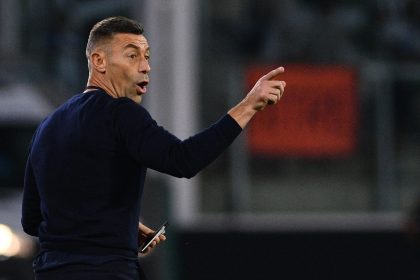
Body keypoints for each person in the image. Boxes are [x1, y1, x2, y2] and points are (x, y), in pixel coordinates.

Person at [21, 16, 286, 280]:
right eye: (132, 56)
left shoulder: (47, 126)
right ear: (98, 61)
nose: (146, 66)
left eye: (147, 56)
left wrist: (115, 224)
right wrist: (248, 105)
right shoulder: (120, 112)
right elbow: (182, 160)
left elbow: (32, 220)